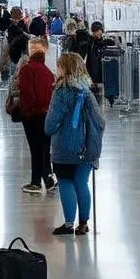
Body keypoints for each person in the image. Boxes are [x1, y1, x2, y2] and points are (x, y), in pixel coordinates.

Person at [45, 51, 105, 236]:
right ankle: (84, 223)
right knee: (81, 183)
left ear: (65, 68)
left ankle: (69, 223)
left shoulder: (62, 91)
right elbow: (100, 121)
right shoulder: (88, 91)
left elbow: (50, 124)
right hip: (87, 147)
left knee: (65, 182)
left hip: (65, 147)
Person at [17, 37, 56, 194]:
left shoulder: (26, 70)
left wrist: (26, 110)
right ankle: (48, 178)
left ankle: (35, 182)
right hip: (46, 113)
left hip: (32, 115)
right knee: (45, 149)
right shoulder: (48, 71)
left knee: (35, 149)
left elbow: (27, 94)